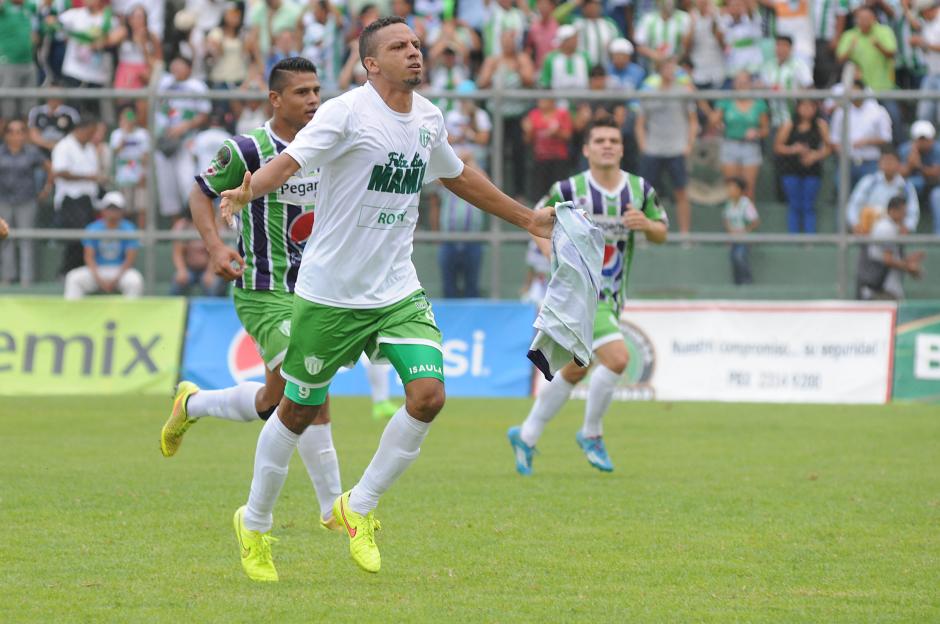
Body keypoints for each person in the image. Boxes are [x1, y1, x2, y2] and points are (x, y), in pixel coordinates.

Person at [219, 17, 555, 581]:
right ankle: (254, 523)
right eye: (399, 47)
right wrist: (250, 186)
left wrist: (526, 218)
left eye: (417, 45)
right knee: (297, 410)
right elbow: (291, 161)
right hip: (329, 293)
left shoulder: (428, 118)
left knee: (428, 396)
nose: (414, 53)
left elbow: (457, 174)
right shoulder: (345, 112)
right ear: (371, 63)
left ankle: (361, 504)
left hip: (398, 289)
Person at [508, 116, 667, 476]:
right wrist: (551, 254)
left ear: (622, 148)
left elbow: (662, 232)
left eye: (614, 139)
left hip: (613, 296)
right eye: (599, 140)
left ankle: (527, 434)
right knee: (617, 358)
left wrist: (648, 225)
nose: (607, 145)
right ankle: (591, 433)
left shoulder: (639, 190)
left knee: (578, 368)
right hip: (580, 296)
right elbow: (536, 220)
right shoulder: (568, 188)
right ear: (586, 149)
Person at [635, 57, 696, 234]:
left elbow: (693, 121)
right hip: (653, 149)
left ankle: (685, 234)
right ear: (659, 69)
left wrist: (689, 144)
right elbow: (640, 123)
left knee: (681, 192)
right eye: (667, 66)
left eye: (673, 66)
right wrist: (643, 145)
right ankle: (644, 233)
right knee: (646, 194)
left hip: (677, 149)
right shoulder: (648, 93)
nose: (671, 69)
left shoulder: (684, 91)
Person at [154, 57, 211, 219]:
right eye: (174, 64)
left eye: (180, 65)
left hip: (187, 141)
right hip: (165, 140)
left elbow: (204, 114)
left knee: (186, 182)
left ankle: (192, 223)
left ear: (189, 67)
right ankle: (176, 229)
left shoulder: (197, 86)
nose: (176, 68)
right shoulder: (165, 82)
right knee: (167, 186)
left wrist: (184, 126)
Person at [0, 119, 52, 286]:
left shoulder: (32, 152)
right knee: (4, 239)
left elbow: (49, 168)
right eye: (11, 132)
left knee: (26, 240)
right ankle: (7, 278)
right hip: (3, 201)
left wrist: (46, 189)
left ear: (25, 134)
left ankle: (26, 280)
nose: (16, 136)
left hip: (26, 202)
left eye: (20, 131)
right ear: (5, 134)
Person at [64, 192, 144, 299]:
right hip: (97, 270)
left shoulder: (129, 228)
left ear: (122, 211)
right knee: (73, 278)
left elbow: (129, 260)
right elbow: (89, 257)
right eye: (109, 208)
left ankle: (129, 315)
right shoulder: (93, 228)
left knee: (135, 281)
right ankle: (72, 314)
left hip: (120, 270)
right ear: (103, 210)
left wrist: (116, 279)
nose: (112, 212)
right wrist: (100, 280)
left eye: (116, 208)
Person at [429, 151, 487, 298]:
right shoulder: (447, 180)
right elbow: (435, 180)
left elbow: (486, 182)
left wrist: (471, 160)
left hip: (473, 240)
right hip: (449, 239)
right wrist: (460, 159)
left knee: (472, 288)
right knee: (448, 288)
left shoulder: (476, 181)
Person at [52, 115, 104, 275]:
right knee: (75, 239)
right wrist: (88, 177)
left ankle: (79, 271)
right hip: (71, 199)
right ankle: (66, 271)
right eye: (90, 131)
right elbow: (60, 173)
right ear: (81, 129)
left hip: (87, 199)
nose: (92, 135)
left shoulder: (89, 148)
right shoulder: (64, 146)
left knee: (86, 238)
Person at [709, 70, 769, 200]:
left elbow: (765, 129)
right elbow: (714, 121)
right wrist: (717, 122)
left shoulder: (758, 103)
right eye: (739, 81)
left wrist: (756, 132)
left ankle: (748, 219)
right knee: (732, 189)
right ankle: (732, 219)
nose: (742, 84)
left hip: (750, 147)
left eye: (745, 81)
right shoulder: (726, 101)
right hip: (730, 145)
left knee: (748, 191)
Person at [774, 98, 831, 233]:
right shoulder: (789, 125)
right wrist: (794, 149)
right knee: (794, 205)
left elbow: (828, 147)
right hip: (790, 170)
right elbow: (777, 147)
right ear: (798, 108)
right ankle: (793, 238)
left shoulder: (820, 125)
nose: (806, 109)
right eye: (803, 106)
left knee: (808, 205)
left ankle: (809, 238)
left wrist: (815, 155)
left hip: (812, 171)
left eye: (810, 106)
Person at [856, 195, 925, 299]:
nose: (904, 215)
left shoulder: (889, 226)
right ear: (893, 210)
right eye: (902, 211)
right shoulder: (886, 228)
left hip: (885, 288)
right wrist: (909, 267)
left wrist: (908, 260)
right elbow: (887, 260)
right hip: (881, 290)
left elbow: (888, 257)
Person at [829, 81, 893, 188]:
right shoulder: (841, 111)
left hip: (870, 162)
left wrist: (867, 141)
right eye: (851, 90)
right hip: (848, 162)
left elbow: (886, 138)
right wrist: (844, 152)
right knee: (845, 196)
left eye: (856, 90)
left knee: (869, 197)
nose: (854, 93)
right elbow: (834, 139)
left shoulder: (878, 111)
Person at [846, 146, 920, 234]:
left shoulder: (906, 186)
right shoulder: (869, 182)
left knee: (885, 228)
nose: (888, 164)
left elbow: (913, 211)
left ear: (899, 164)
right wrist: (856, 224)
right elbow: (854, 205)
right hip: (868, 232)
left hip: (895, 233)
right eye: (885, 161)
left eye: (891, 161)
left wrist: (907, 227)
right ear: (879, 163)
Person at [523, 97, 574, 201]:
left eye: (544, 99)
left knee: (559, 192)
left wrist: (556, 133)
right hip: (540, 159)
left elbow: (568, 136)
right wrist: (528, 131)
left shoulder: (561, 114)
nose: (541, 102)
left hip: (558, 159)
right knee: (539, 193)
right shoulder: (534, 114)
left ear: (552, 101)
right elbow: (527, 140)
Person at [109, 108, 151, 229]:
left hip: (139, 173)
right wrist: (124, 134)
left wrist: (144, 174)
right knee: (124, 207)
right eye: (125, 118)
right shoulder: (117, 134)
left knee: (141, 207)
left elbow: (146, 155)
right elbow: (115, 151)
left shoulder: (142, 134)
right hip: (123, 174)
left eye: (130, 118)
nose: (128, 121)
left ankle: (141, 236)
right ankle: (125, 233)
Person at [0, 0, 39, 120]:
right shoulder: (4, 7)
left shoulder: (29, 6)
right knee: (7, 107)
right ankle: (7, 137)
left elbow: (46, 7)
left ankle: (26, 136)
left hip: (29, 61)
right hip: (8, 62)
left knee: (29, 106)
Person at [900, 119, 940, 233]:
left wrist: (919, 166)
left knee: (938, 196)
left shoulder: (938, 149)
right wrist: (910, 164)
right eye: (919, 139)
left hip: (935, 186)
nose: (922, 142)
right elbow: (899, 175)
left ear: (932, 139)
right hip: (915, 184)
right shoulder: (905, 149)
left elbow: (937, 175)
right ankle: (904, 229)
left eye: (925, 139)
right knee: (905, 186)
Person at [722, 176, 759, 285]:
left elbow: (755, 221)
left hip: (744, 239)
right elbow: (726, 219)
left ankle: (747, 282)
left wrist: (745, 231)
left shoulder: (746, 203)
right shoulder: (729, 203)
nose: (730, 190)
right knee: (733, 258)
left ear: (740, 190)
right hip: (733, 239)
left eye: (733, 188)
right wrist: (730, 231)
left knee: (739, 257)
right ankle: (737, 283)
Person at [634, 0, 692, 68]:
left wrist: (677, 58)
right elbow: (639, 45)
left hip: (676, 65)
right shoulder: (648, 19)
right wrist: (655, 55)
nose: (668, 2)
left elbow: (687, 45)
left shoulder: (684, 18)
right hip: (653, 67)